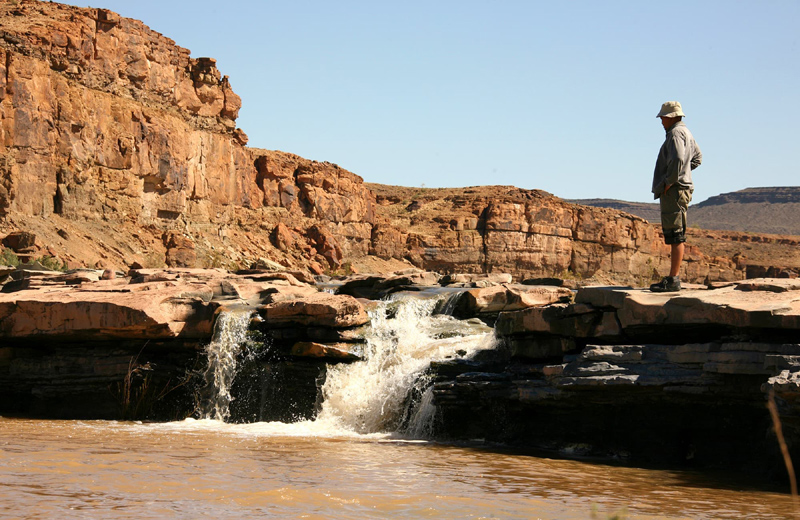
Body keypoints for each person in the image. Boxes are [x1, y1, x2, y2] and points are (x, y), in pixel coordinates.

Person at [650, 101, 702, 292]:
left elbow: (680, 158)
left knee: (676, 234)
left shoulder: (675, 133)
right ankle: (673, 278)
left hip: (675, 189)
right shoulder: (687, 133)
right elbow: (697, 158)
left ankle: (673, 279)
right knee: (675, 232)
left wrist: (670, 180)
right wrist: (684, 173)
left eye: (663, 117)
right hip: (681, 187)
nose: (661, 121)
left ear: (671, 117)